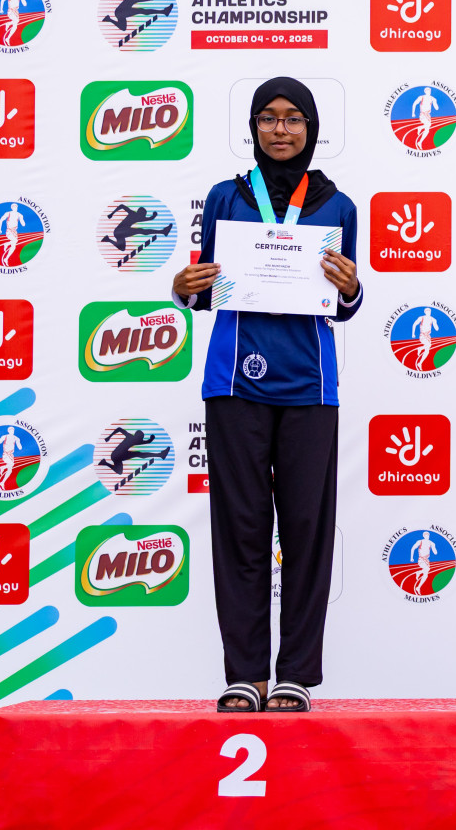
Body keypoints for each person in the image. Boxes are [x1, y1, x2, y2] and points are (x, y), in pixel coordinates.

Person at [171, 77, 362, 714]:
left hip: (310, 386)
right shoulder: (224, 198)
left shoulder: (337, 206)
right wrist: (184, 286)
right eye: (268, 118)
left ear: (311, 129)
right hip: (233, 382)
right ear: (253, 128)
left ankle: (296, 675)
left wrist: (352, 288)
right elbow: (207, 289)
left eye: (294, 119)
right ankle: (246, 674)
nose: (281, 130)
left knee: (308, 529)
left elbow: (343, 306)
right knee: (241, 528)